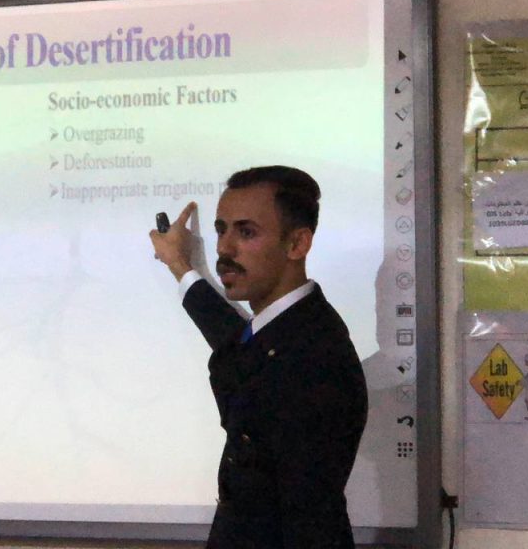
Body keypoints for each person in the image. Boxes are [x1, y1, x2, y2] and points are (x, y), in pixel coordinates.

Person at [149, 166, 367, 548]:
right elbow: (236, 345)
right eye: (221, 230)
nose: (224, 248)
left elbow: (305, 518)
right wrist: (180, 266)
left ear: (297, 244)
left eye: (246, 232)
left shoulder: (314, 358)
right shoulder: (286, 328)